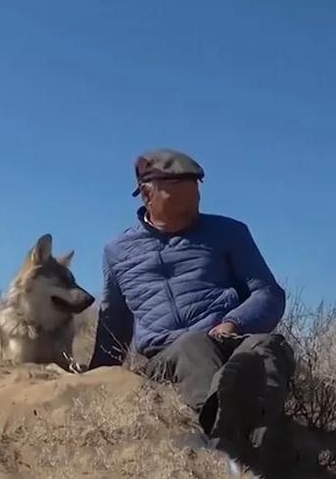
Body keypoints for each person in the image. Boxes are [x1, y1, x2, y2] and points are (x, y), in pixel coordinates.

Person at [87, 148, 296, 475]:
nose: (192, 213)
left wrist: (233, 322)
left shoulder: (229, 232)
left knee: (268, 348)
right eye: (181, 207)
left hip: (230, 339)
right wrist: (93, 380)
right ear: (147, 195)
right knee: (193, 346)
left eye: (195, 202)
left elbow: (268, 293)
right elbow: (113, 322)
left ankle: (255, 444)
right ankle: (230, 448)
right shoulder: (117, 252)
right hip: (168, 357)